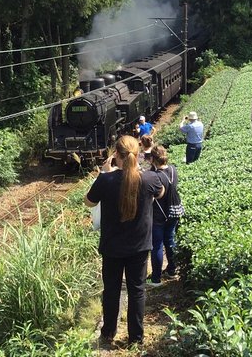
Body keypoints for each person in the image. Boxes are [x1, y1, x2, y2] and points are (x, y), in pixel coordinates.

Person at [84, 136, 164, 346]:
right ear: (137, 156)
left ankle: (108, 333)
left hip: (112, 247)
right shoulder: (148, 179)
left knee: (111, 290)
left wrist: (104, 173)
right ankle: (136, 338)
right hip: (139, 246)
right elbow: (161, 192)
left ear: (116, 155)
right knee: (137, 290)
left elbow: (88, 202)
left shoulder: (106, 180)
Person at [148, 145, 180, 286]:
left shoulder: (156, 176)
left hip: (159, 214)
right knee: (170, 240)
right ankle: (172, 270)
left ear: (153, 160)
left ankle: (156, 278)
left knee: (157, 245)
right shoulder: (173, 169)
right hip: (174, 211)